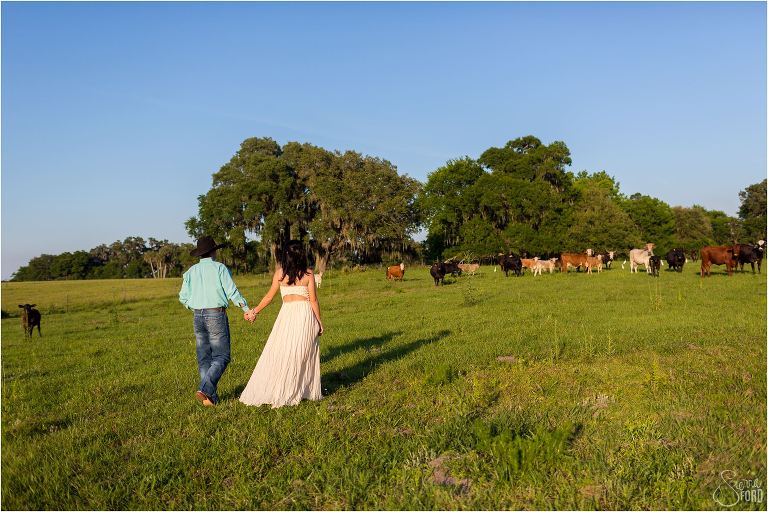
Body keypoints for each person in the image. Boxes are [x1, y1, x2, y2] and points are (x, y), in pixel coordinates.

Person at [239, 240, 324, 408]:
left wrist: (254, 311)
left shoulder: (280, 274)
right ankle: (298, 388)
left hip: (287, 314)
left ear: (286, 255)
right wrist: (319, 321)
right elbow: (313, 300)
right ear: (301, 255)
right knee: (301, 352)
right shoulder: (308, 275)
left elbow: (269, 297)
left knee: (284, 350)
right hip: (304, 314)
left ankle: (292, 387)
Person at [179, 236, 250, 406]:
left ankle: (210, 399)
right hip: (215, 314)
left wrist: (193, 306)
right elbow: (232, 291)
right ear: (213, 251)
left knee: (204, 357)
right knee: (222, 356)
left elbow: (182, 297)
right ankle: (205, 388)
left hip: (197, 315)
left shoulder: (190, 272)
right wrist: (246, 309)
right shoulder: (220, 268)